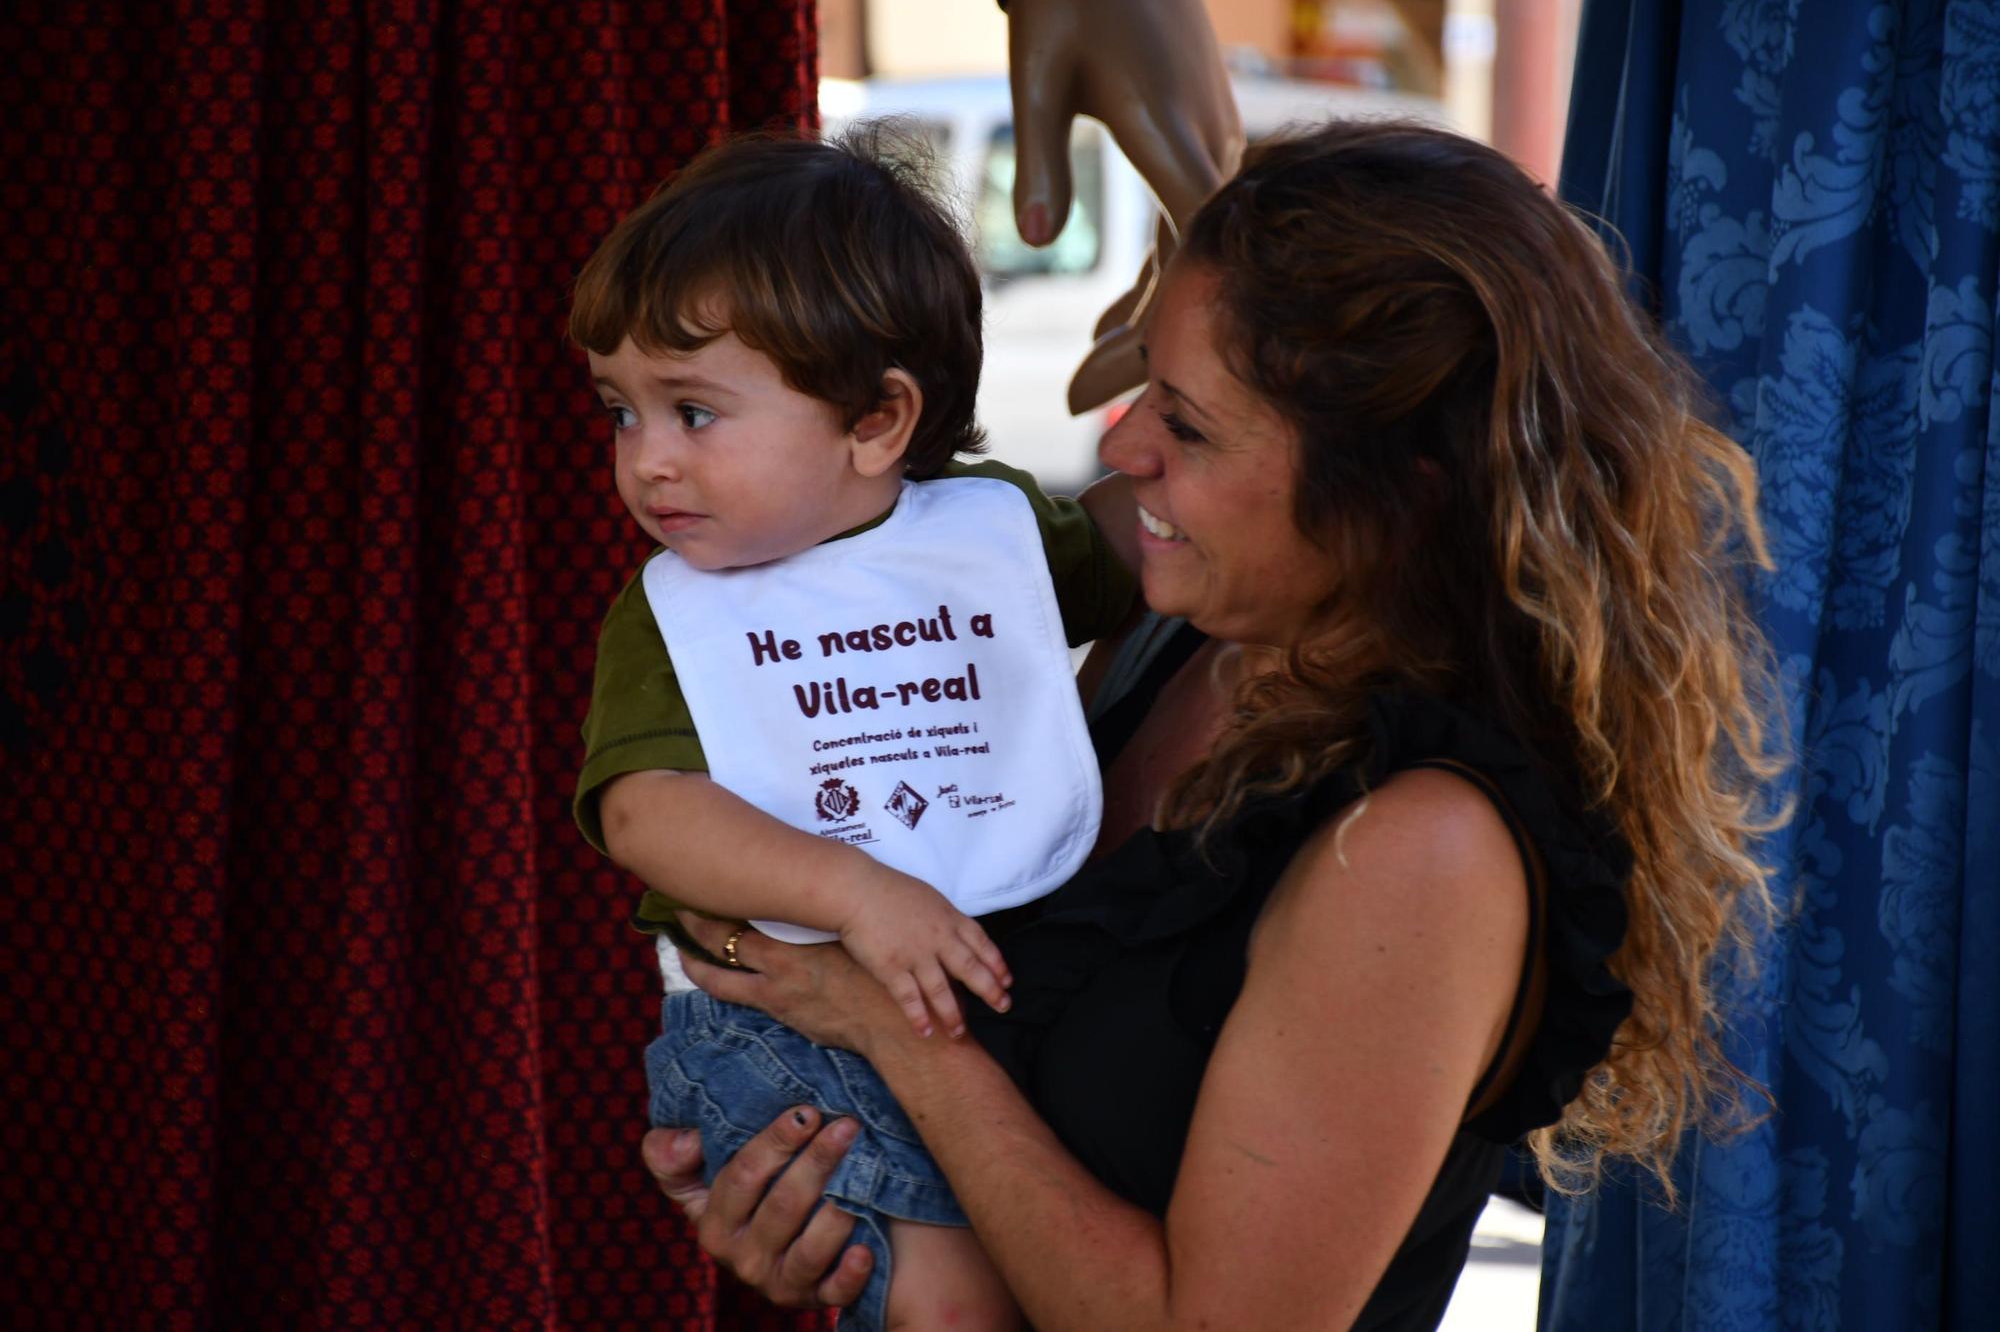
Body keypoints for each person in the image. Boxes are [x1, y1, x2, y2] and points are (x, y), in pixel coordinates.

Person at [640, 119, 1790, 1330]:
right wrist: (820, 1174)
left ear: (1398, 494)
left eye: (1186, 425)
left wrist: (897, 1036)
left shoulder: (1417, 847)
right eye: (1143, 384)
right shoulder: (1175, 638)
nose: (1122, 442)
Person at [568, 129, 1136, 1331]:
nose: (644, 462)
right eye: (621, 412)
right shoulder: (674, 614)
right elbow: (645, 813)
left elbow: (1152, 567)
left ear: (878, 424)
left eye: (693, 411)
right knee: (959, 1300)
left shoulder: (994, 539)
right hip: (784, 1028)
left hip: (972, 1010)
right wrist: (855, 890)